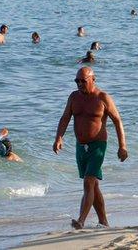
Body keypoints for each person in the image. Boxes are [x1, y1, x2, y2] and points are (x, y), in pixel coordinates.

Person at [53, 66, 129, 230]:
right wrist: (59, 137)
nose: (79, 84)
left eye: (83, 81)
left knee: (88, 182)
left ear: (93, 79)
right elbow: (65, 117)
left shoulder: (103, 98)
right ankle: (104, 222)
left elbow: (117, 121)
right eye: (77, 81)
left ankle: (81, 221)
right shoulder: (73, 97)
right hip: (80, 147)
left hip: (98, 146)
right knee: (93, 185)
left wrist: (122, 145)